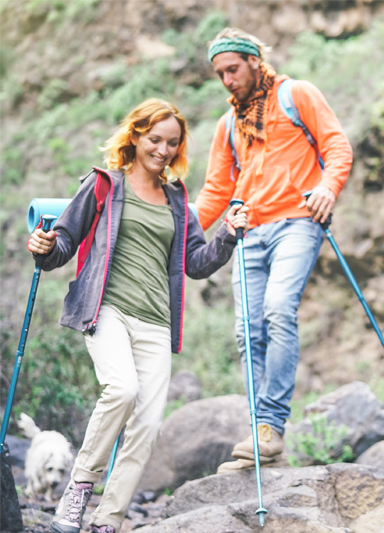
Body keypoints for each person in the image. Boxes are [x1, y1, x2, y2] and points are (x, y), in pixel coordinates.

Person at [27, 99, 248, 533]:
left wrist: (228, 233)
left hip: (156, 324)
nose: (163, 150)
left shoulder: (177, 197)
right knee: (122, 389)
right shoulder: (103, 184)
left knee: (146, 426)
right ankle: (80, 487)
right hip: (107, 310)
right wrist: (46, 248)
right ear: (135, 136)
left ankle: (108, 520)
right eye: (155, 140)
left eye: (172, 143)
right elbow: (65, 241)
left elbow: (196, 263)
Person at [195, 28, 353, 473]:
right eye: (219, 73)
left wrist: (327, 187)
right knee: (247, 329)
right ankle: (260, 436)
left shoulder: (295, 94)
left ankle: (269, 426)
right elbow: (214, 192)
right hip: (246, 231)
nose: (227, 79)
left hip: (298, 222)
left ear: (253, 60)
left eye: (233, 68)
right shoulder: (229, 126)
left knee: (279, 309)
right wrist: (168, 222)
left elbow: (336, 145)